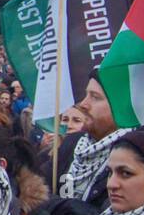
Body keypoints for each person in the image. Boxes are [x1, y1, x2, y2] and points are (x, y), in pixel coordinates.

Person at [54, 72, 126, 207]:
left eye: (95, 97)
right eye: (86, 95)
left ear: (119, 105)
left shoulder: (134, 154)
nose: (83, 104)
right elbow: (41, 195)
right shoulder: (73, 143)